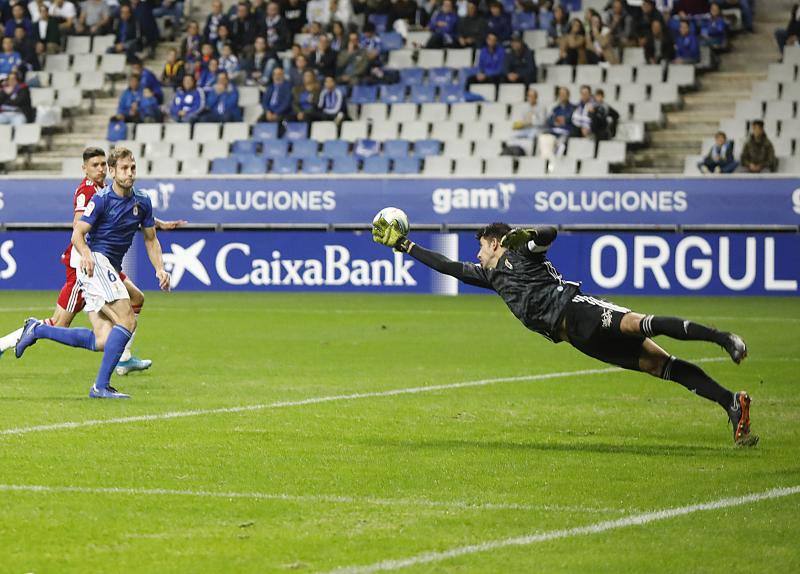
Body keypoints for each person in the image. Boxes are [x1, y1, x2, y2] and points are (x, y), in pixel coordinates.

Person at [371, 219, 758, 447]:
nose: (477, 256)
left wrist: (527, 235)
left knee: (640, 322)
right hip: (578, 339)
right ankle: (731, 403)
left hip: (579, 312)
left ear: (494, 242)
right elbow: (448, 266)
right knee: (660, 366)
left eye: (480, 248)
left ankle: (725, 339)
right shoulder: (491, 276)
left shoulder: (521, 253)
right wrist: (406, 245)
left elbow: (548, 234)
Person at [0, 147, 187, 375]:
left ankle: (123, 357)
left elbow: (126, 211)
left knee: (136, 298)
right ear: (84, 169)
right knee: (60, 324)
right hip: (86, 264)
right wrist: (87, 254)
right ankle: (6, 342)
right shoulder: (87, 192)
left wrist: (157, 222)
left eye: (101, 165)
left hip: (104, 262)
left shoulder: (106, 190)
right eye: (94, 165)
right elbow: (79, 227)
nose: (99, 169)